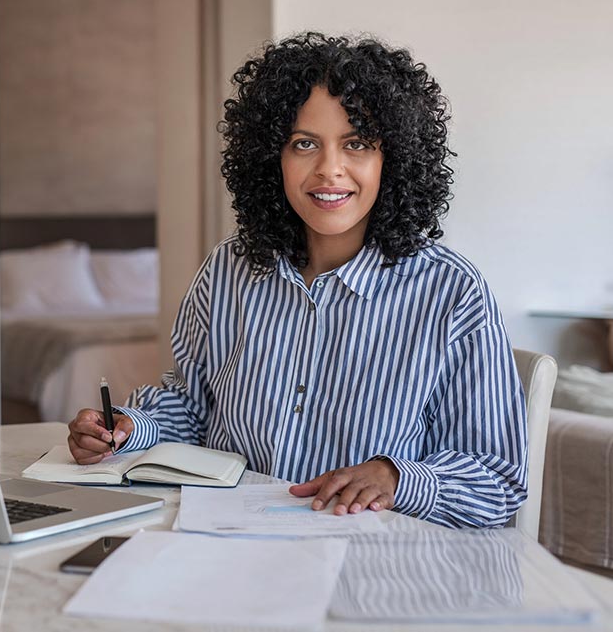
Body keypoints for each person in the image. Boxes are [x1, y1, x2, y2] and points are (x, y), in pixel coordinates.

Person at [67, 32, 528, 529]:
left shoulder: (452, 291)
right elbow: (195, 407)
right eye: (304, 144)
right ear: (272, 159)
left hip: (366, 569)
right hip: (227, 545)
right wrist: (128, 428)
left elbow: (497, 481)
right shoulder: (229, 270)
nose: (330, 169)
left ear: (392, 160)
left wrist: (396, 478)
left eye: (357, 144)